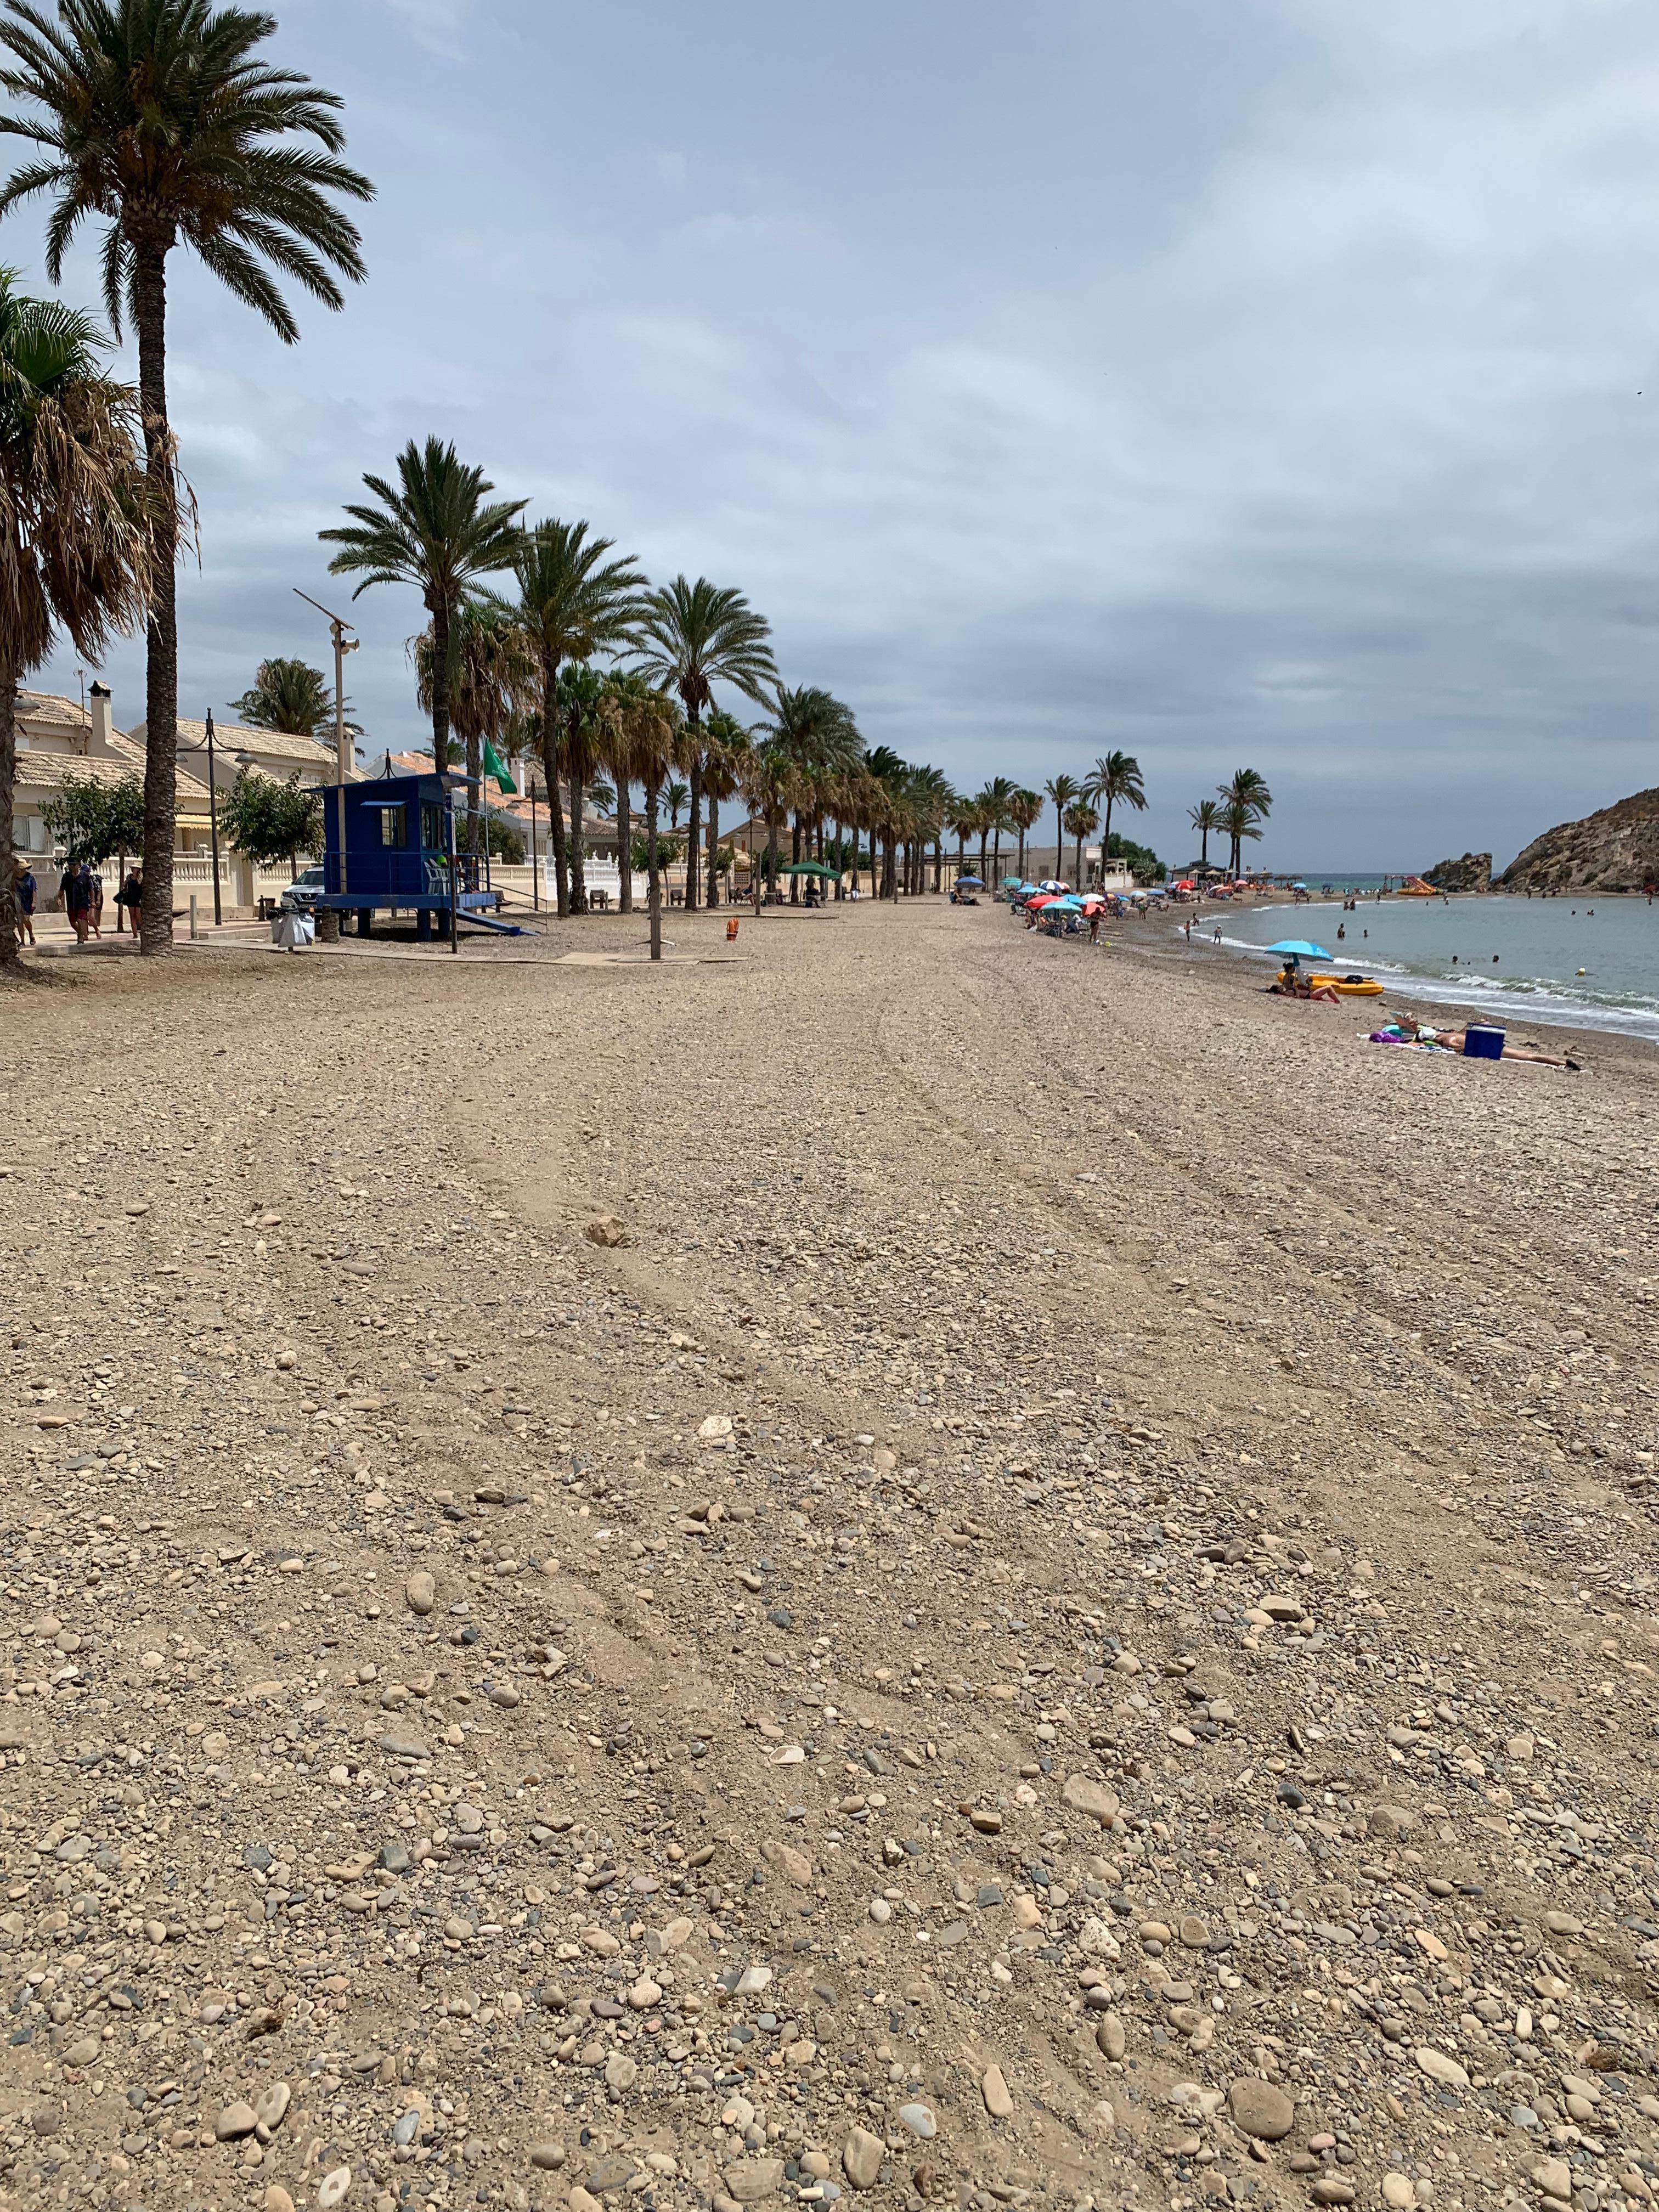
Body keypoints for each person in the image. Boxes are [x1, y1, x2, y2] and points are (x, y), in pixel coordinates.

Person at [65, 859, 93, 944]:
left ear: (78, 865)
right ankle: (81, 933)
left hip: (82, 902)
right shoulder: (67, 876)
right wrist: (59, 898)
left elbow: (91, 890)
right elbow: (62, 888)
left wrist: (93, 901)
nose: (71, 867)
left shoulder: (85, 876)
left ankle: (81, 938)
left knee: (80, 919)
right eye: (70, 865)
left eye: (73, 865)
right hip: (71, 902)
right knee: (73, 922)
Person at [116, 864, 143, 943]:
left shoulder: (141, 878)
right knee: (132, 916)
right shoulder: (129, 877)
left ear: (138, 870)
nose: (133, 870)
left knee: (139, 917)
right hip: (130, 898)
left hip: (138, 899)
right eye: (132, 868)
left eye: (135, 868)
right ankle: (135, 934)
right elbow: (124, 885)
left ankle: (142, 932)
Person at [13, 859, 36, 946]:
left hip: (27, 901)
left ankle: (31, 934)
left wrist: (34, 902)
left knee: (26, 920)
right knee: (20, 921)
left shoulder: (30, 877)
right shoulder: (14, 878)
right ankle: (22, 941)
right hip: (17, 900)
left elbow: (34, 890)